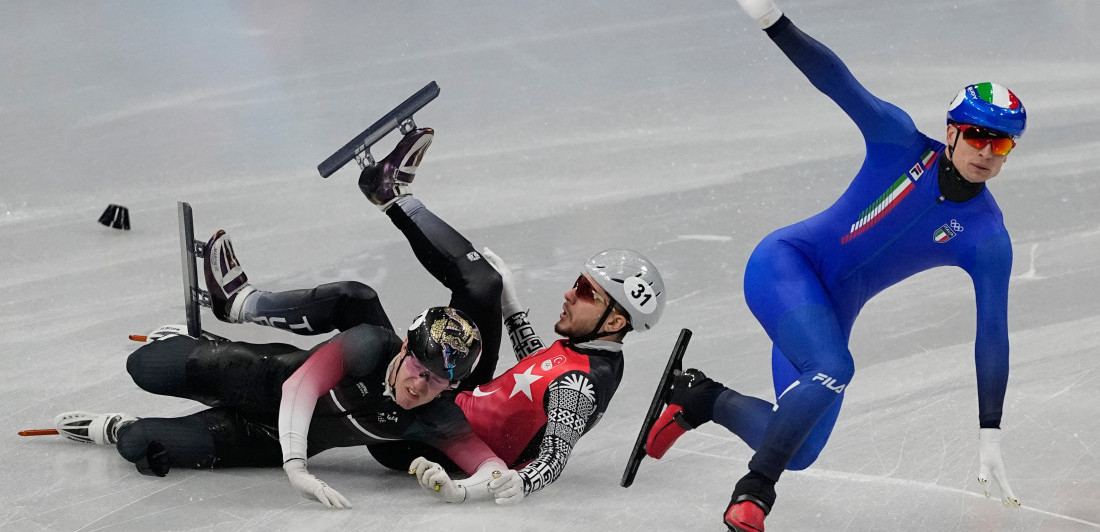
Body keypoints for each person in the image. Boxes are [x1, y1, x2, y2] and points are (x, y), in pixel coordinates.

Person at [643, 1, 1026, 530]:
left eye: (1001, 142)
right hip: (785, 266)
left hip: (830, 311)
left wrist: (991, 431)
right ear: (953, 131)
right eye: (977, 135)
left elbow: (993, 331)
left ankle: (701, 397)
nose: (986, 151)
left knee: (799, 448)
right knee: (833, 369)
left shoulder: (987, 237)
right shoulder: (897, 140)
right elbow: (835, 79)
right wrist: (772, 21)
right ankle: (754, 492)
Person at [200, 126, 667, 502]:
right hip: (459, 387)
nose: (569, 293)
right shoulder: (587, 352)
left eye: (586, 292)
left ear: (614, 321)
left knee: (355, 300)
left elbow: (554, 454)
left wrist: (503, 484)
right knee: (484, 283)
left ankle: (239, 302)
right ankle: (391, 192)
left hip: (431, 429)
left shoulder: (584, 386)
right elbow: (540, 371)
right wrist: (512, 307)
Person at [53, 306, 520, 509]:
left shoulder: (438, 416)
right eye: (420, 367)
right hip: (260, 378)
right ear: (403, 349)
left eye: (439, 380)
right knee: (146, 366)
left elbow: (495, 474)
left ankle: (112, 427)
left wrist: (456, 491)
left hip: (269, 439)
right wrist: (295, 467)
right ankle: (195, 343)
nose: (421, 384)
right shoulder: (368, 346)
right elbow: (301, 386)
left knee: (138, 443)